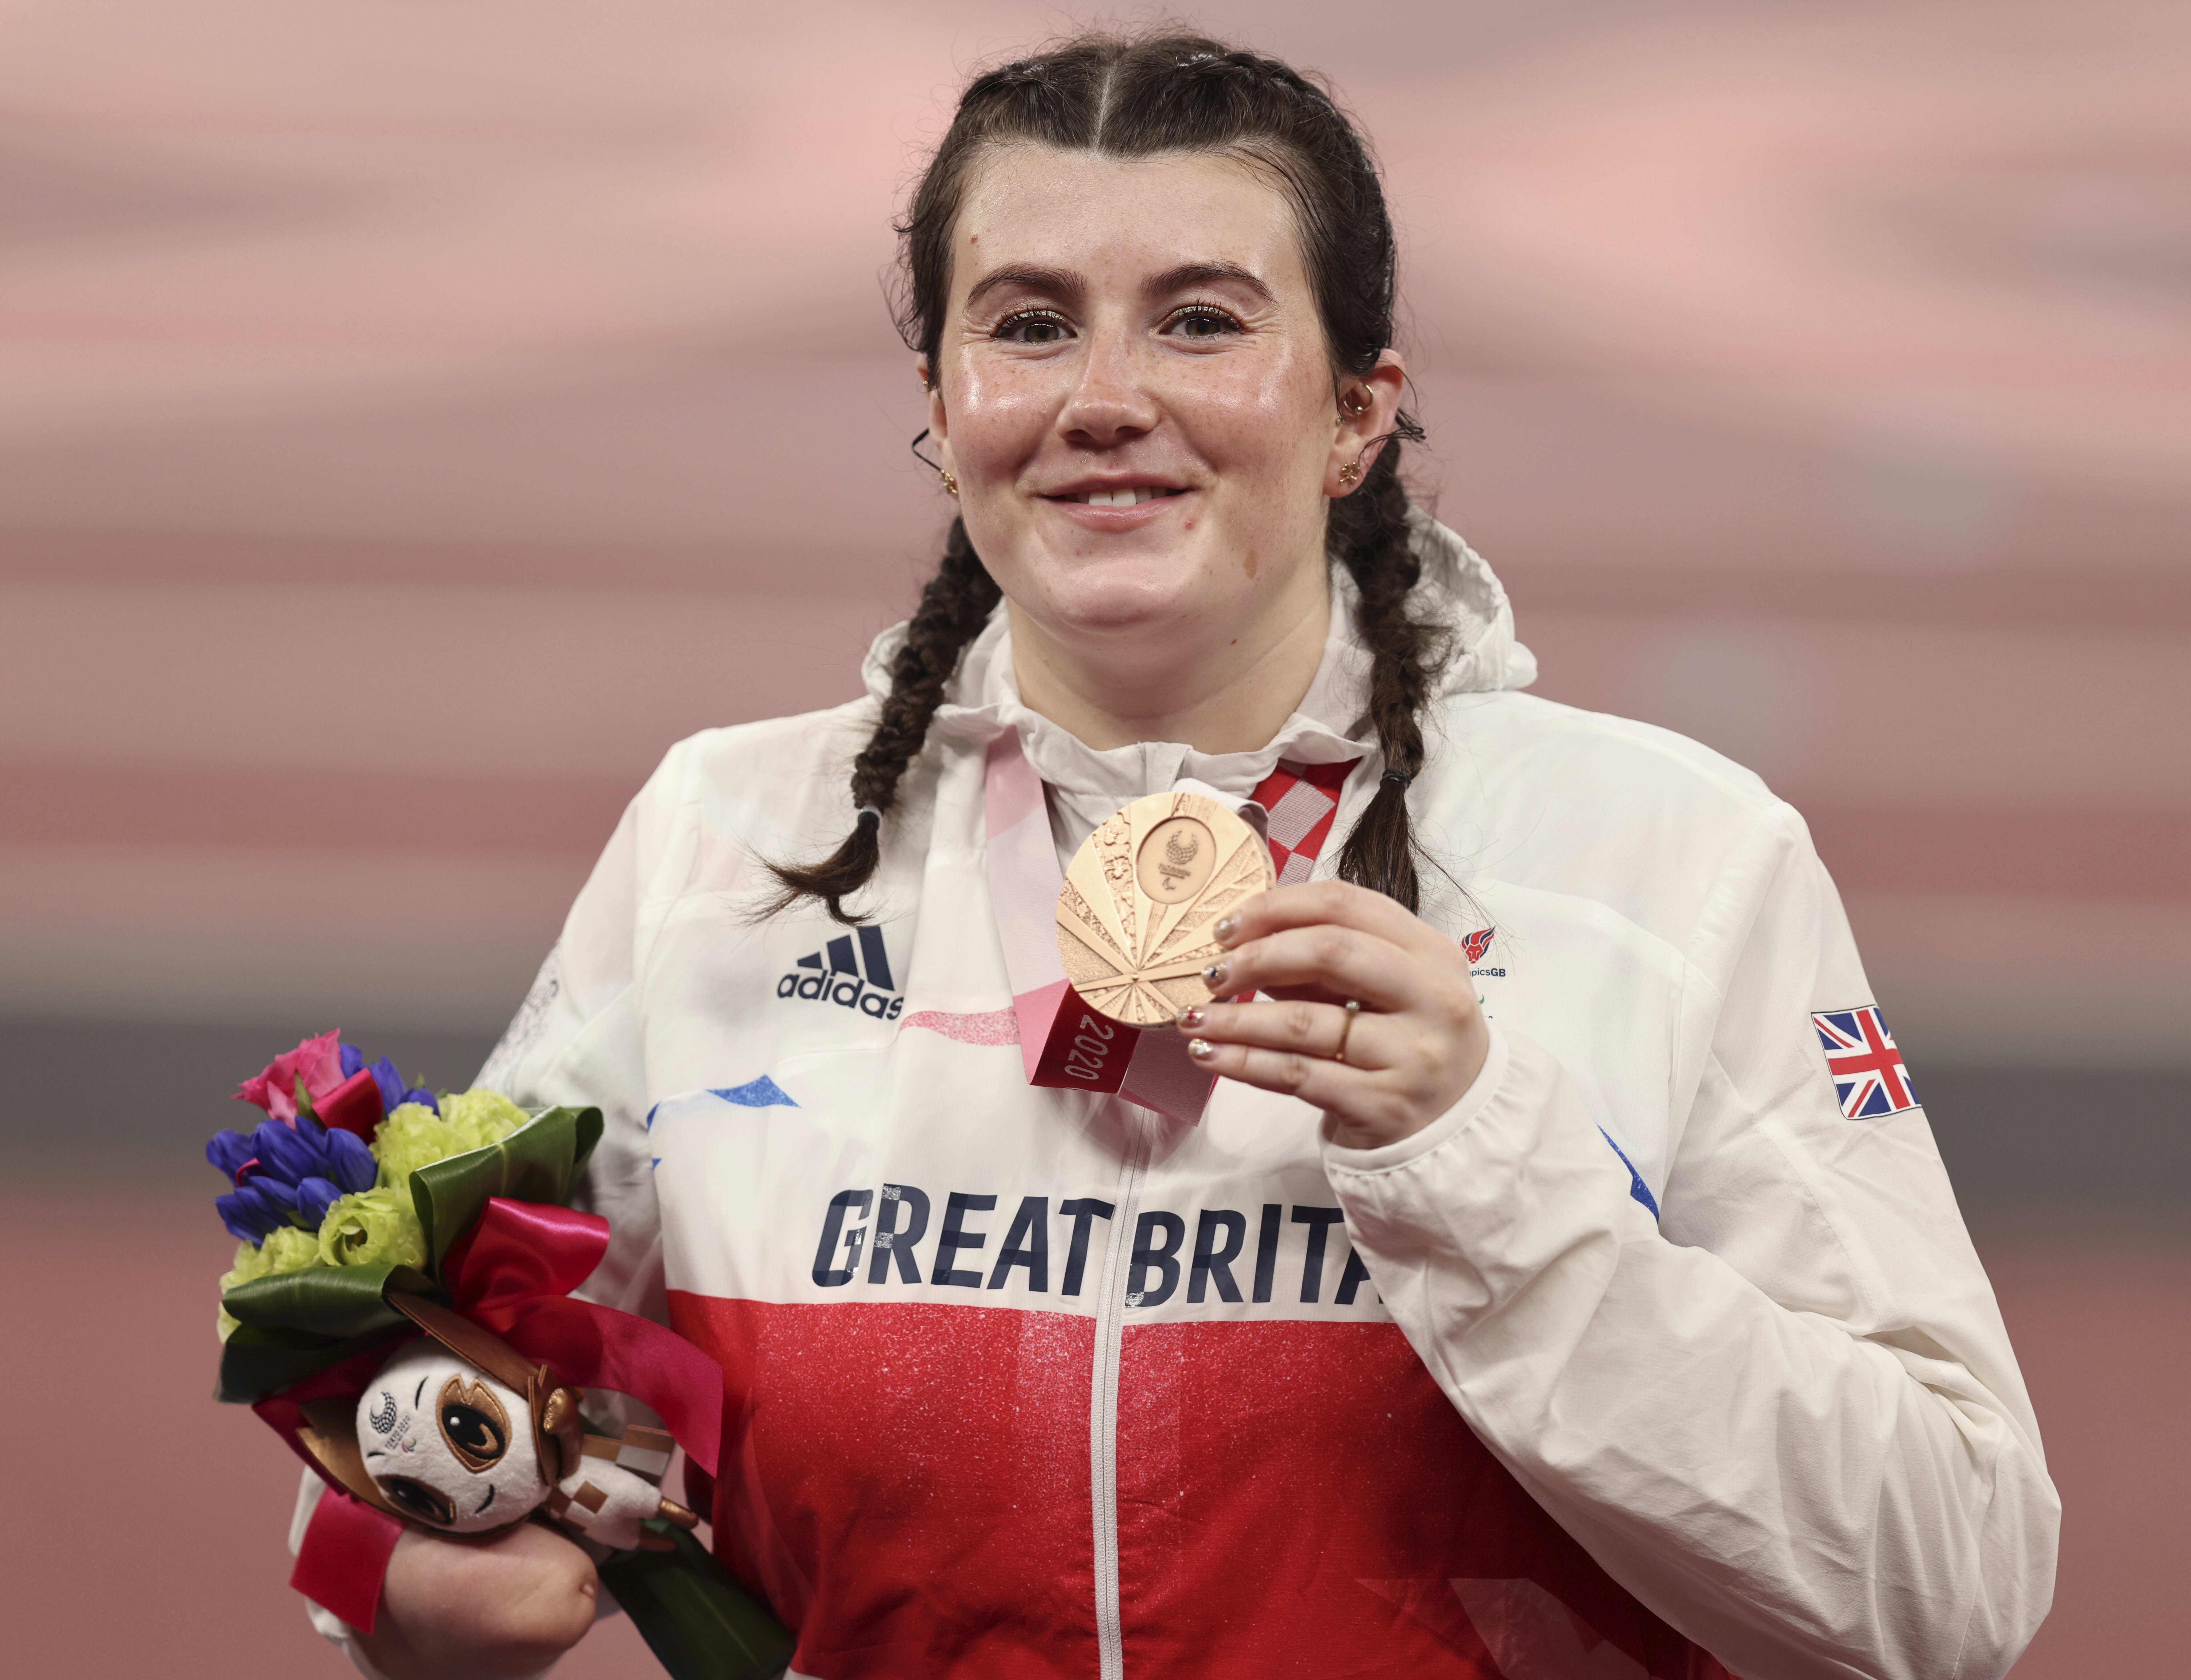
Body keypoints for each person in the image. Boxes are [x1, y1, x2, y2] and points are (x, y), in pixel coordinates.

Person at [302, 30, 2058, 1680]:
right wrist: (397, 1580)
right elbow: (414, 1439)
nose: (1107, 397)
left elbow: (1953, 1578)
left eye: (1202, 321)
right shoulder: (733, 843)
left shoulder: (1671, 861)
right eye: (1031, 324)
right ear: (940, 397)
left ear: (1361, 412)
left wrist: (1489, 1169)